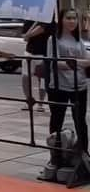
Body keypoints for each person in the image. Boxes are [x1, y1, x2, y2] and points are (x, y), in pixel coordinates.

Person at [46, 9, 89, 167]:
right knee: (57, 120)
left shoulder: (79, 40)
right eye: (68, 18)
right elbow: (55, 63)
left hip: (80, 85)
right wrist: (77, 62)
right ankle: (56, 154)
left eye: (74, 18)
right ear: (62, 20)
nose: (72, 21)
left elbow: (87, 60)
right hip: (59, 86)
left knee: (80, 121)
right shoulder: (54, 40)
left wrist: (72, 62)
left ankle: (84, 152)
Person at [22, 20, 50, 111]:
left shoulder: (48, 19)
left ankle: (40, 103)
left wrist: (28, 35)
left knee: (42, 79)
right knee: (25, 77)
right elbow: (24, 36)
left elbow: (41, 29)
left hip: (43, 53)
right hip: (29, 52)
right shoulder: (29, 20)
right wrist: (28, 34)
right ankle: (28, 100)